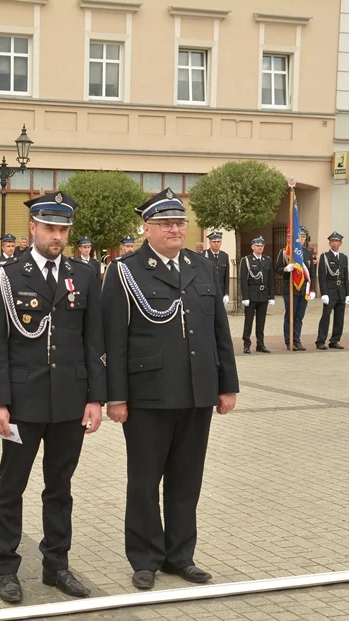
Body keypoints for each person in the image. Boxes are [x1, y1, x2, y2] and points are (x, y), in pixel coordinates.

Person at [101, 188, 239, 590]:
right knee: (145, 481)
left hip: (197, 392)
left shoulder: (202, 266)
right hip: (149, 395)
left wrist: (227, 385)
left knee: (186, 479)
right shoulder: (126, 271)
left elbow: (219, 332)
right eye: (166, 223)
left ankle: (181, 556)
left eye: (179, 222)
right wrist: (117, 396)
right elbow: (114, 338)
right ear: (147, 228)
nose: (175, 229)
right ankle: (144, 558)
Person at [0, 192, 106, 604]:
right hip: (23, 399)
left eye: (63, 230)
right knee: (11, 485)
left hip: (69, 401)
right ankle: (7, 567)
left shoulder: (84, 274)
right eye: (50, 228)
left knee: (60, 486)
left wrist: (95, 398)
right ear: (33, 227)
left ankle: (57, 565)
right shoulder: (6, 274)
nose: (58, 236)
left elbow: (93, 341)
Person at [275, 229, 316, 351]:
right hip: (290, 289)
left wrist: (312, 289)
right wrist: (286, 269)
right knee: (290, 316)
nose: (301, 239)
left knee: (299, 317)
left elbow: (312, 273)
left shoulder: (308, 253)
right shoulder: (285, 252)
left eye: (303, 236)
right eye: (299, 236)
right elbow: (277, 268)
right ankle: (289, 341)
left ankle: (297, 340)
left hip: (304, 290)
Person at [315, 232, 349, 350]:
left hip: (341, 291)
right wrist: (324, 293)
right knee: (326, 316)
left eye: (336, 241)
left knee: (339, 318)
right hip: (330, 291)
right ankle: (320, 341)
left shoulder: (344, 257)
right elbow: (322, 277)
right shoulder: (325, 257)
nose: (334, 243)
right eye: (332, 241)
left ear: (340, 243)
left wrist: (348, 294)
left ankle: (335, 340)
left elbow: (345, 277)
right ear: (330, 243)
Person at [239, 236, 274, 354]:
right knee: (248, 321)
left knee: (261, 321)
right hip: (251, 294)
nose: (260, 248)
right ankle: (246, 344)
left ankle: (260, 344)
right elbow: (243, 280)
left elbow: (270, 280)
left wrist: (272, 296)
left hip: (263, 294)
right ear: (252, 246)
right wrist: (245, 297)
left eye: (262, 246)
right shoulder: (247, 260)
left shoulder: (267, 260)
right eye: (258, 245)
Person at [202, 232, 230, 305]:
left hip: (220, 291)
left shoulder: (224, 256)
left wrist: (226, 293)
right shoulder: (203, 255)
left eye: (218, 241)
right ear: (210, 242)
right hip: (207, 291)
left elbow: (226, 277)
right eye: (214, 242)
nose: (216, 243)